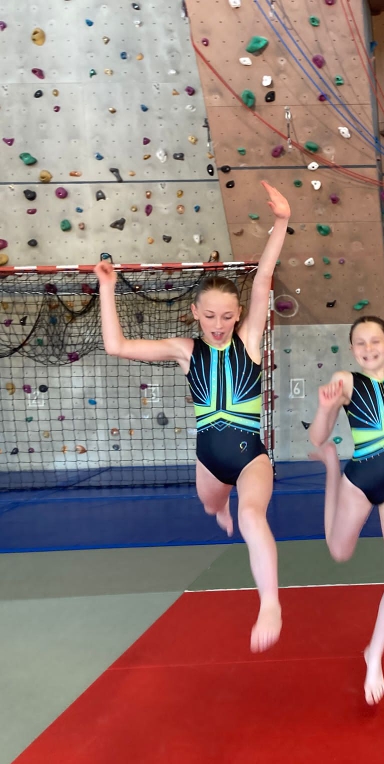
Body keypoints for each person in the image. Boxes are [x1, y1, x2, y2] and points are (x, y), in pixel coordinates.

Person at [97, 181, 291, 653]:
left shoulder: (249, 342)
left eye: (227, 316)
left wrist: (282, 221)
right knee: (211, 505)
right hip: (208, 461)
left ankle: (270, 603)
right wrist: (106, 288)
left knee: (251, 514)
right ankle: (218, 507)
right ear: (195, 313)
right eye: (210, 316)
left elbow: (263, 278)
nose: (219, 325)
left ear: (239, 314)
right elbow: (116, 346)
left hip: (250, 456)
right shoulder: (186, 351)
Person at [308, 315, 384, 705]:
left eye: (376, 340)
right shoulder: (346, 380)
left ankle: (374, 653)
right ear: (351, 349)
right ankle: (332, 469)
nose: (368, 348)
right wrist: (325, 408)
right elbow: (317, 435)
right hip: (359, 482)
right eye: (360, 343)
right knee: (339, 552)